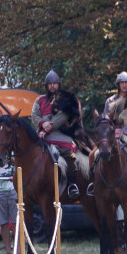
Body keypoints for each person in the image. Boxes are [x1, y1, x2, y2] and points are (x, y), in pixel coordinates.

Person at [30, 70, 84, 199]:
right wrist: (42, 123)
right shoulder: (40, 100)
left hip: (59, 133)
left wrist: (47, 128)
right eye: (50, 84)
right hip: (42, 134)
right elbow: (34, 115)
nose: (53, 86)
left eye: (55, 83)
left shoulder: (65, 99)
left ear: (59, 84)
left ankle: (72, 184)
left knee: (68, 151)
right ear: (46, 85)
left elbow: (63, 116)